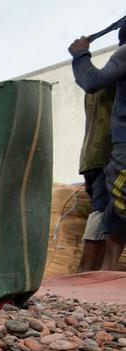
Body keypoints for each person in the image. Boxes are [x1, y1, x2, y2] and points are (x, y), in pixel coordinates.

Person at [72, 26, 126, 270]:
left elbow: (90, 81)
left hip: (101, 156)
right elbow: (92, 81)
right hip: (101, 157)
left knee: (110, 212)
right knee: (108, 212)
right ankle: (95, 274)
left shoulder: (112, 70)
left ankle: (96, 274)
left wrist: (81, 55)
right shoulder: (111, 75)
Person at [76, 83, 115, 272]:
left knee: (102, 211)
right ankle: (86, 272)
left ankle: (91, 272)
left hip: (91, 157)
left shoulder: (94, 84)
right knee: (102, 211)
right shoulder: (111, 83)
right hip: (106, 157)